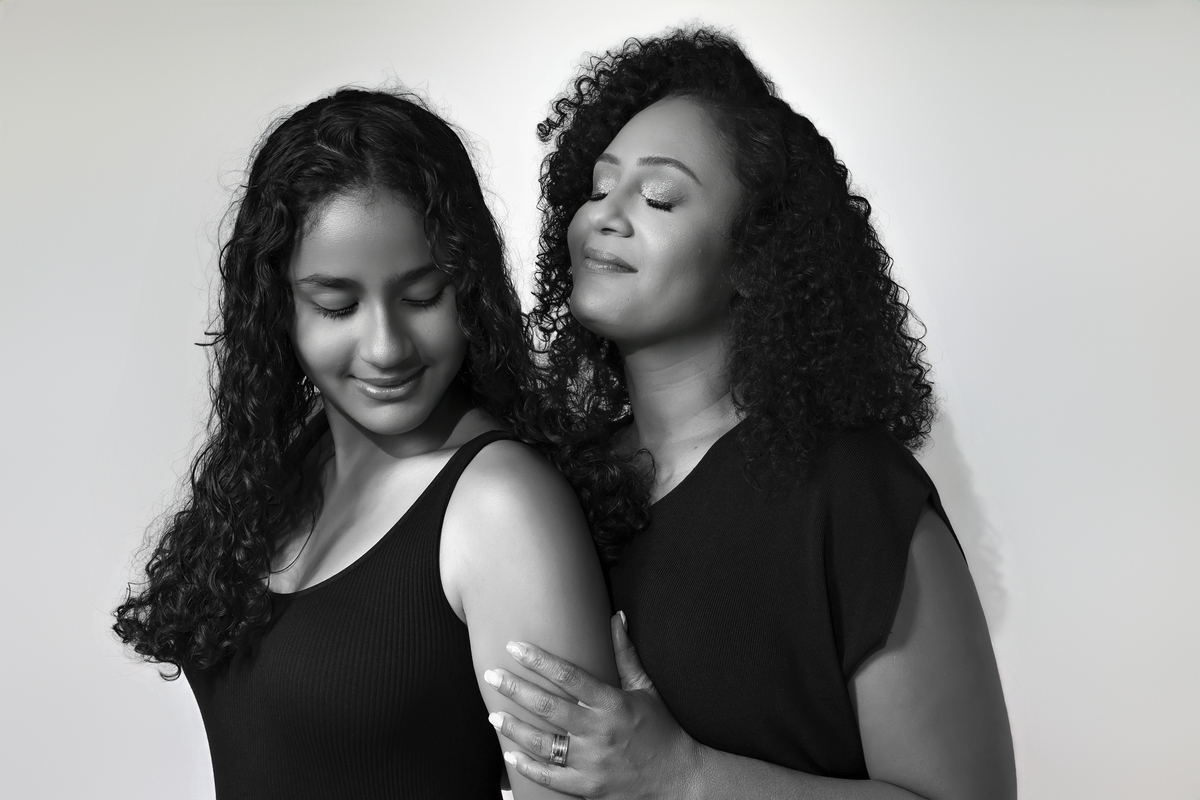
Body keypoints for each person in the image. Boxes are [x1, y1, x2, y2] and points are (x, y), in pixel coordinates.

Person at [485, 29, 1017, 799]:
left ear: (754, 256)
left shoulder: (853, 494)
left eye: (659, 197)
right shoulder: (547, 488)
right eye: (598, 190)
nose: (604, 216)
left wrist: (682, 776)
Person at [112, 88, 619, 799]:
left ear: (469, 287)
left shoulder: (501, 505)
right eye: (337, 305)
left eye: (422, 296)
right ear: (278, 309)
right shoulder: (285, 469)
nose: (386, 347)